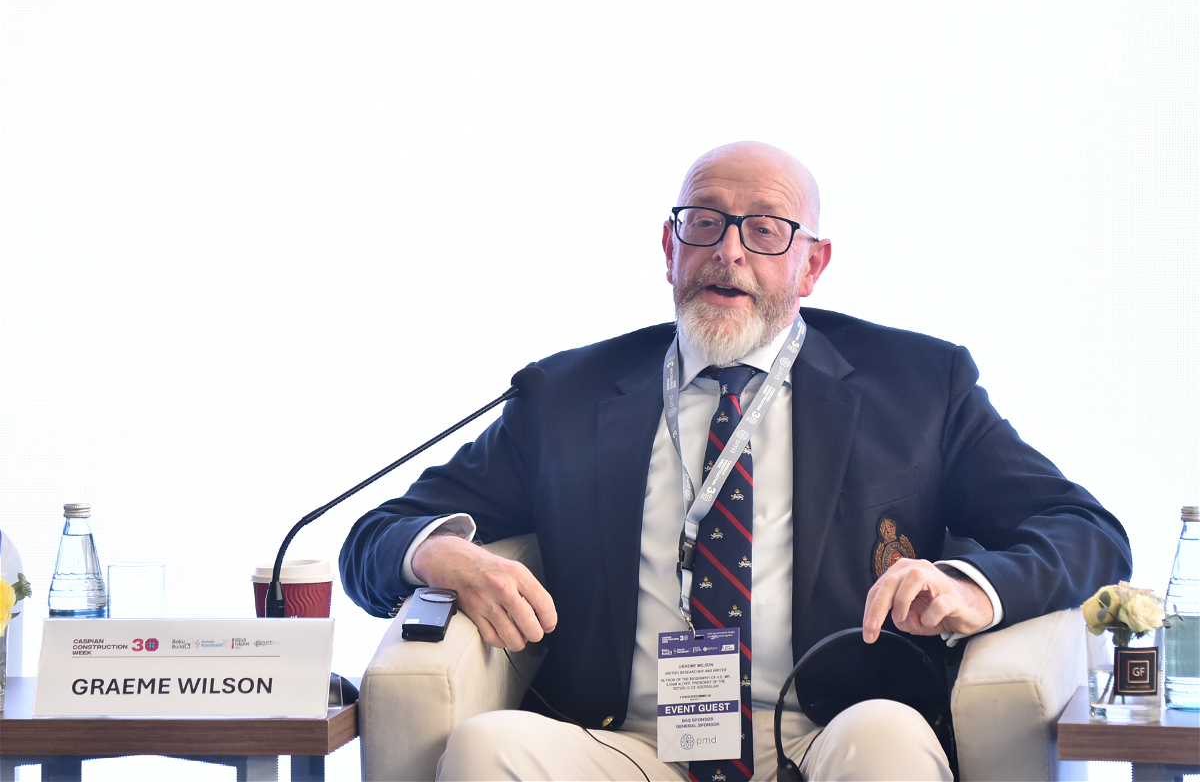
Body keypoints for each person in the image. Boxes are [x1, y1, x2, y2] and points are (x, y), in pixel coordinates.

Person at [339, 141, 1132, 781]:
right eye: (705, 223)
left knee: (888, 738)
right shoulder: (566, 396)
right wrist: (440, 555)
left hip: (827, 734)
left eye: (766, 230)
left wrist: (968, 587)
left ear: (812, 265)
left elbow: (1086, 530)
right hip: (626, 744)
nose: (728, 252)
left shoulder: (920, 387)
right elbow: (375, 538)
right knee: (486, 749)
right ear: (669, 246)